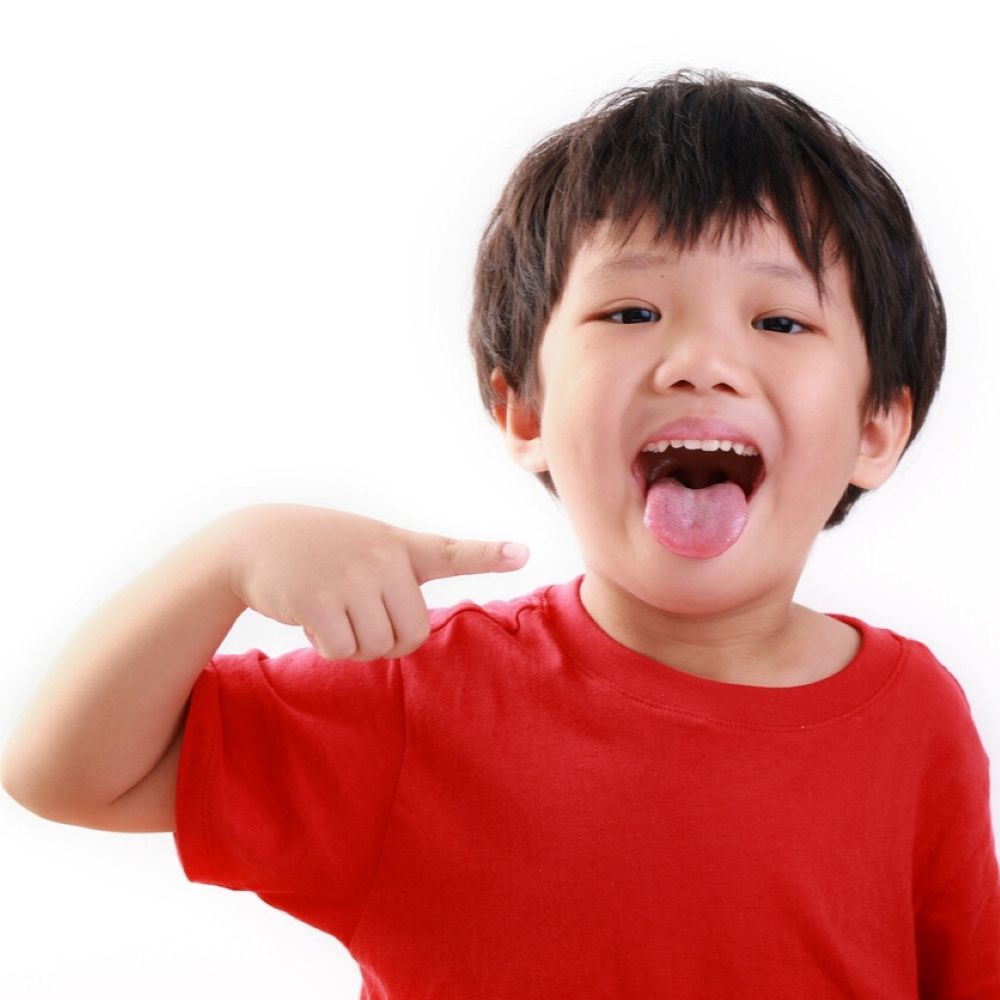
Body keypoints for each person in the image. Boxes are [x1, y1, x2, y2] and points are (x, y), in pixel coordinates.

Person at [3, 69, 998, 998]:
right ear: (522, 410)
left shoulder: (918, 717)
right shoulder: (417, 696)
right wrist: (225, 557)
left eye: (779, 323)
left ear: (877, 426)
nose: (701, 360)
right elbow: (63, 770)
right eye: (632, 309)